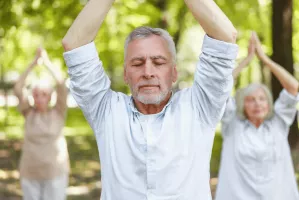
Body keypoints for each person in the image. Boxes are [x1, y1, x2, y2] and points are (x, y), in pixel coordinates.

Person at [62, 0, 238, 199]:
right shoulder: (107, 111)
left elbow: (225, 36)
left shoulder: (199, 107)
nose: (148, 72)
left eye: (158, 62)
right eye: (137, 63)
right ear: (126, 74)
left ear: (173, 73)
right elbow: (74, 44)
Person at [215, 32, 299, 200]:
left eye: (262, 99)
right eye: (251, 100)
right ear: (242, 105)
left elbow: (293, 87)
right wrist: (246, 61)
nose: (257, 104)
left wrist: (264, 59)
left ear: (269, 104)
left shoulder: (278, 124)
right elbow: (219, 87)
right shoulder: (232, 125)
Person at [14, 48, 69, 200]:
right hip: (30, 172)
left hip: (55, 172)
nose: (39, 98)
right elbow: (18, 88)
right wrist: (33, 64)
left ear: (50, 97)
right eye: (36, 95)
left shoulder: (58, 112)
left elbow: (61, 85)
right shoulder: (28, 113)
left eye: (44, 94)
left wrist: (46, 62)